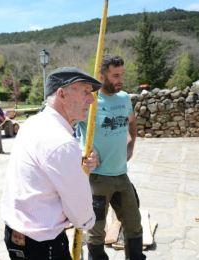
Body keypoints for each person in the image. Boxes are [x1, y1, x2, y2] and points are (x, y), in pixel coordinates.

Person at [1, 67, 102, 260]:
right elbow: (82, 217)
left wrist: (74, 160)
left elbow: (42, 166)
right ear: (62, 94)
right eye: (85, 92)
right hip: (44, 246)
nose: (91, 99)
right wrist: (87, 220)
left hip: (17, 236)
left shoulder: (33, 123)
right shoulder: (60, 142)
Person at [77, 54, 145, 259]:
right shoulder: (89, 101)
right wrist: (80, 151)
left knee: (134, 225)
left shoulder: (124, 98)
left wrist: (131, 144)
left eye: (122, 74)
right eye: (115, 75)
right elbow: (64, 130)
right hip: (97, 179)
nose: (121, 80)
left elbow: (132, 122)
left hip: (122, 176)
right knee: (96, 233)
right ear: (102, 75)